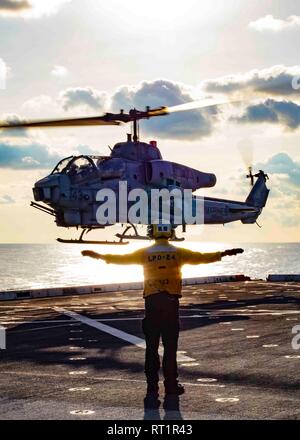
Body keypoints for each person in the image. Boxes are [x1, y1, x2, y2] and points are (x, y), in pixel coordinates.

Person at [82, 224, 244, 397]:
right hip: (171, 303)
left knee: (151, 348)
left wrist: (98, 256)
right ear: (170, 233)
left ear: (151, 233)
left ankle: (152, 387)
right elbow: (203, 258)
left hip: (151, 303)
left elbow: (121, 259)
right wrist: (225, 253)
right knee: (170, 348)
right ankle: (171, 386)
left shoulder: (144, 253)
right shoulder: (178, 252)